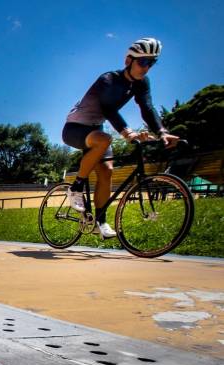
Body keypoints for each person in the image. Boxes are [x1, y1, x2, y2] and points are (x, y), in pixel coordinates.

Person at [62, 37, 179, 239]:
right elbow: (108, 108)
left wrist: (163, 132)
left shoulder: (141, 83)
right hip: (75, 128)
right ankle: (76, 187)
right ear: (128, 61)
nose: (146, 68)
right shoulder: (108, 79)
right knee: (104, 139)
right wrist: (128, 133)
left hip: (95, 129)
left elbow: (147, 108)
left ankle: (100, 221)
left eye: (151, 63)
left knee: (107, 172)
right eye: (142, 62)